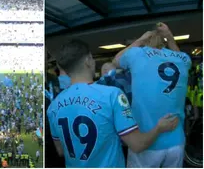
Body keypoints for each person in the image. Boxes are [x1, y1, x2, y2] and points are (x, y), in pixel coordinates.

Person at [47, 39, 179, 167]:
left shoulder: (53, 106)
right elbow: (138, 145)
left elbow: (61, 150)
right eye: (92, 58)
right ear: (88, 60)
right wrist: (160, 128)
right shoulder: (111, 95)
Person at [112, 23, 190, 167]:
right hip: (176, 141)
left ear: (145, 43)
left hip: (147, 141)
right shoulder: (182, 59)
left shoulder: (138, 54)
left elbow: (116, 60)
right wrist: (170, 37)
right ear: (163, 43)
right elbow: (180, 57)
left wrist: (140, 40)